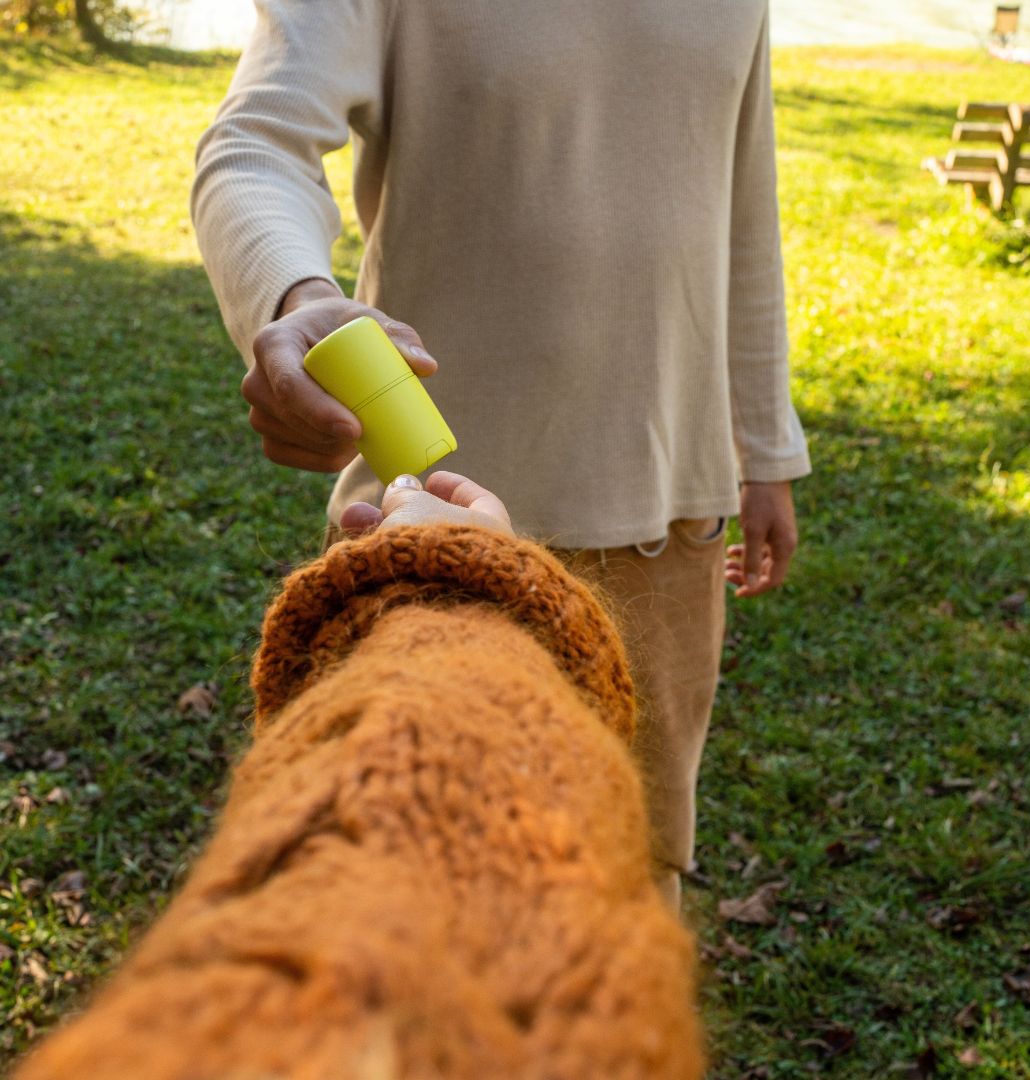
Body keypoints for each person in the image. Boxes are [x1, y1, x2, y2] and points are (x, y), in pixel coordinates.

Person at [191, 0, 811, 905]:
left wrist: (765, 447)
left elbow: (743, 214)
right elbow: (255, 145)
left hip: (671, 526)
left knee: (627, 873)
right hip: (428, 526)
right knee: (403, 875)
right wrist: (293, 299)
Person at [15, 474, 703, 1079]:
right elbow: (424, 779)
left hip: (662, 503)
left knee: (643, 852)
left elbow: (386, 775)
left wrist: (768, 457)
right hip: (432, 501)